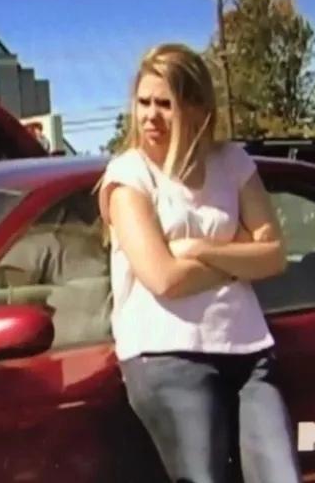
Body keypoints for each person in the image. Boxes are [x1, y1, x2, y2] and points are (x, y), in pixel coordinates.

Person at [97, 43, 300, 483]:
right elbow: (164, 279)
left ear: (197, 108)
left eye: (165, 104)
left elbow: (274, 256)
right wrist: (239, 251)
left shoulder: (231, 162)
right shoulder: (128, 176)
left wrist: (197, 248)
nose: (150, 116)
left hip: (248, 349)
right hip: (167, 355)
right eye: (144, 102)